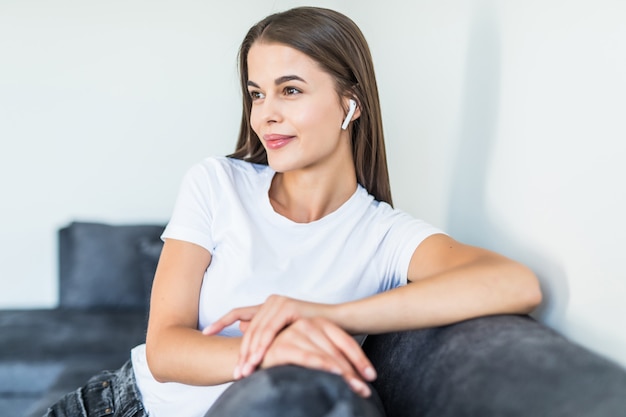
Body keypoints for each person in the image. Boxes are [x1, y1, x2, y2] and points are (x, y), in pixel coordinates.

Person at [45, 6, 542, 417]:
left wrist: (326, 316)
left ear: (351, 102)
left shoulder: (384, 236)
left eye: (291, 90)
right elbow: (166, 350)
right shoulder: (218, 183)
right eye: (257, 93)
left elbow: (515, 284)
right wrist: (270, 351)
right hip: (119, 403)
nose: (265, 113)